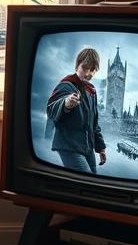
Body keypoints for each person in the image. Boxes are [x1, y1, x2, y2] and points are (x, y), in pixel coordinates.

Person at [46, 46, 107, 175]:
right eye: (85, 68)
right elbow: (51, 109)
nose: (88, 73)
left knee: (93, 183)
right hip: (68, 146)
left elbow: (94, 123)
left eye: (92, 70)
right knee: (88, 184)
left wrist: (100, 147)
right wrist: (66, 104)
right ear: (77, 65)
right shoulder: (66, 85)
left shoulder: (91, 92)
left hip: (87, 148)